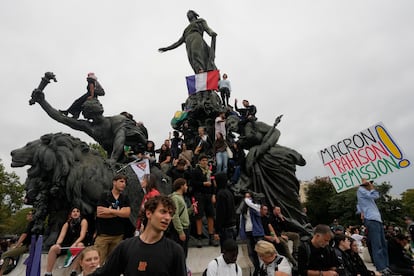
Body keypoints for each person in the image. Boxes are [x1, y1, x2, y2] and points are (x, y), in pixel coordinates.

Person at [91, 195, 187, 275]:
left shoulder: (175, 251)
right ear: (149, 213)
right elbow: (104, 273)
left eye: (170, 214)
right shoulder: (125, 247)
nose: (167, 217)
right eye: (163, 212)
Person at [357, 178, 393, 275]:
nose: (371, 185)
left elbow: (359, 206)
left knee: (382, 244)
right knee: (377, 245)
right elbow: (376, 195)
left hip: (375, 219)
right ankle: (381, 267)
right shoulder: (361, 190)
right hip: (372, 219)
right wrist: (371, 187)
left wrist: (361, 212)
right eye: (370, 183)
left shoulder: (362, 192)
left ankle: (385, 266)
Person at [94, 174, 131, 265]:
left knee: (114, 265)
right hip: (103, 236)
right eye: (121, 181)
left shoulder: (125, 198)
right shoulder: (104, 196)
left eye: (125, 182)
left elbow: (127, 214)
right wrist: (119, 213)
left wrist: (110, 210)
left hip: (118, 236)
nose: (124, 184)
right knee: (97, 263)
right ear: (114, 182)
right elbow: (100, 214)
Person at [44, 207, 88, 276]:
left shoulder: (83, 221)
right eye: (73, 211)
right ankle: (48, 273)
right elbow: (61, 236)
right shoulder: (67, 224)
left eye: (77, 211)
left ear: (80, 213)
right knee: (53, 248)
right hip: (67, 245)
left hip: (77, 243)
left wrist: (75, 244)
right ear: (71, 214)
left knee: (80, 246)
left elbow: (82, 236)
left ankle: (74, 271)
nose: (75, 213)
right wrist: (58, 244)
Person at [190, 154, 217, 247]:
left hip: (209, 196)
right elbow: (193, 183)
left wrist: (213, 194)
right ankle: (199, 237)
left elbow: (213, 184)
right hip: (199, 195)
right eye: (203, 160)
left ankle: (211, 237)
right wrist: (203, 183)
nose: (205, 162)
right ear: (199, 161)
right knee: (199, 217)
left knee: (211, 216)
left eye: (206, 160)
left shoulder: (210, 171)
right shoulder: (195, 171)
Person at [0, 210, 35, 276]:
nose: (27, 215)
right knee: (8, 256)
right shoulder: (32, 224)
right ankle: (2, 272)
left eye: (29, 214)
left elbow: (24, 235)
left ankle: (1, 273)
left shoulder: (31, 223)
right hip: (26, 245)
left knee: (4, 254)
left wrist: (17, 245)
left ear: (32, 216)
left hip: (27, 246)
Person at [239, 192, 264, 276]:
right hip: (248, 232)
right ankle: (257, 268)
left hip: (257, 232)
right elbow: (241, 222)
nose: (247, 199)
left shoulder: (256, 206)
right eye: (246, 197)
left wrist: (247, 200)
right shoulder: (243, 209)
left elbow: (256, 209)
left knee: (260, 251)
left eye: (249, 197)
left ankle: (263, 269)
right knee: (251, 253)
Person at [168, 178, 191, 258]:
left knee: (184, 253)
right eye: (185, 185)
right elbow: (175, 215)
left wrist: (191, 209)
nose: (187, 187)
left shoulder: (180, 197)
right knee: (180, 254)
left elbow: (183, 213)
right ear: (181, 186)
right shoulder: (175, 198)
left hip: (185, 227)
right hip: (180, 229)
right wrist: (180, 231)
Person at [214, 173, 237, 249]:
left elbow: (220, 213)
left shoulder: (221, 194)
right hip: (232, 226)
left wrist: (217, 231)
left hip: (226, 228)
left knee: (226, 252)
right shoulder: (229, 192)